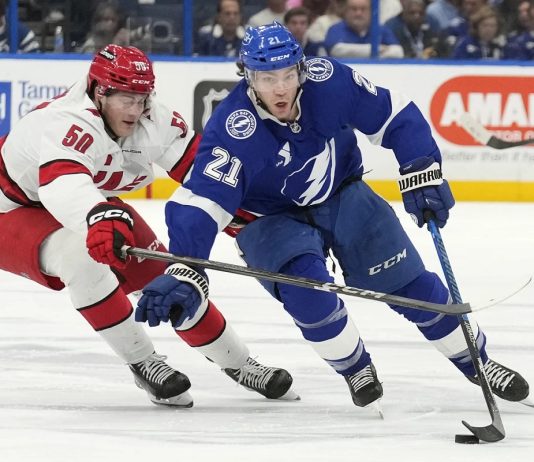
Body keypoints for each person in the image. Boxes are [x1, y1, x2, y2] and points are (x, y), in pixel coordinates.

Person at [135, 22, 530, 408]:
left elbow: (396, 116)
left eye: (288, 74)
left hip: (342, 193)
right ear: (248, 77)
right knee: (308, 296)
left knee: (409, 284)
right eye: (267, 78)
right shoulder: (235, 127)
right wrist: (186, 267)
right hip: (269, 219)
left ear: (302, 68)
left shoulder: (329, 82)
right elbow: (203, 203)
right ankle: (355, 367)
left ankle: (478, 361)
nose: (280, 88)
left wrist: (420, 166)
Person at [0, 44, 297, 408]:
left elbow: (204, 175)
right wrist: (99, 218)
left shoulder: (155, 119)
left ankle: (240, 364)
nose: (136, 110)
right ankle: (143, 361)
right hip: (10, 207)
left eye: (142, 98)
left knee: (167, 278)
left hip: (86, 202)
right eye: (126, 98)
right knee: (81, 258)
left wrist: (247, 217)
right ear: (98, 90)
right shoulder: (66, 123)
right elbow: (64, 184)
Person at [323, 0, 404, 58]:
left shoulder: (380, 29)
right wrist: (376, 49)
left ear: (371, 11)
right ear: (346, 11)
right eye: (354, 9)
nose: (358, 13)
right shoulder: (336, 29)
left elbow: (398, 52)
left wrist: (353, 51)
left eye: (363, 9)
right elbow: (336, 51)